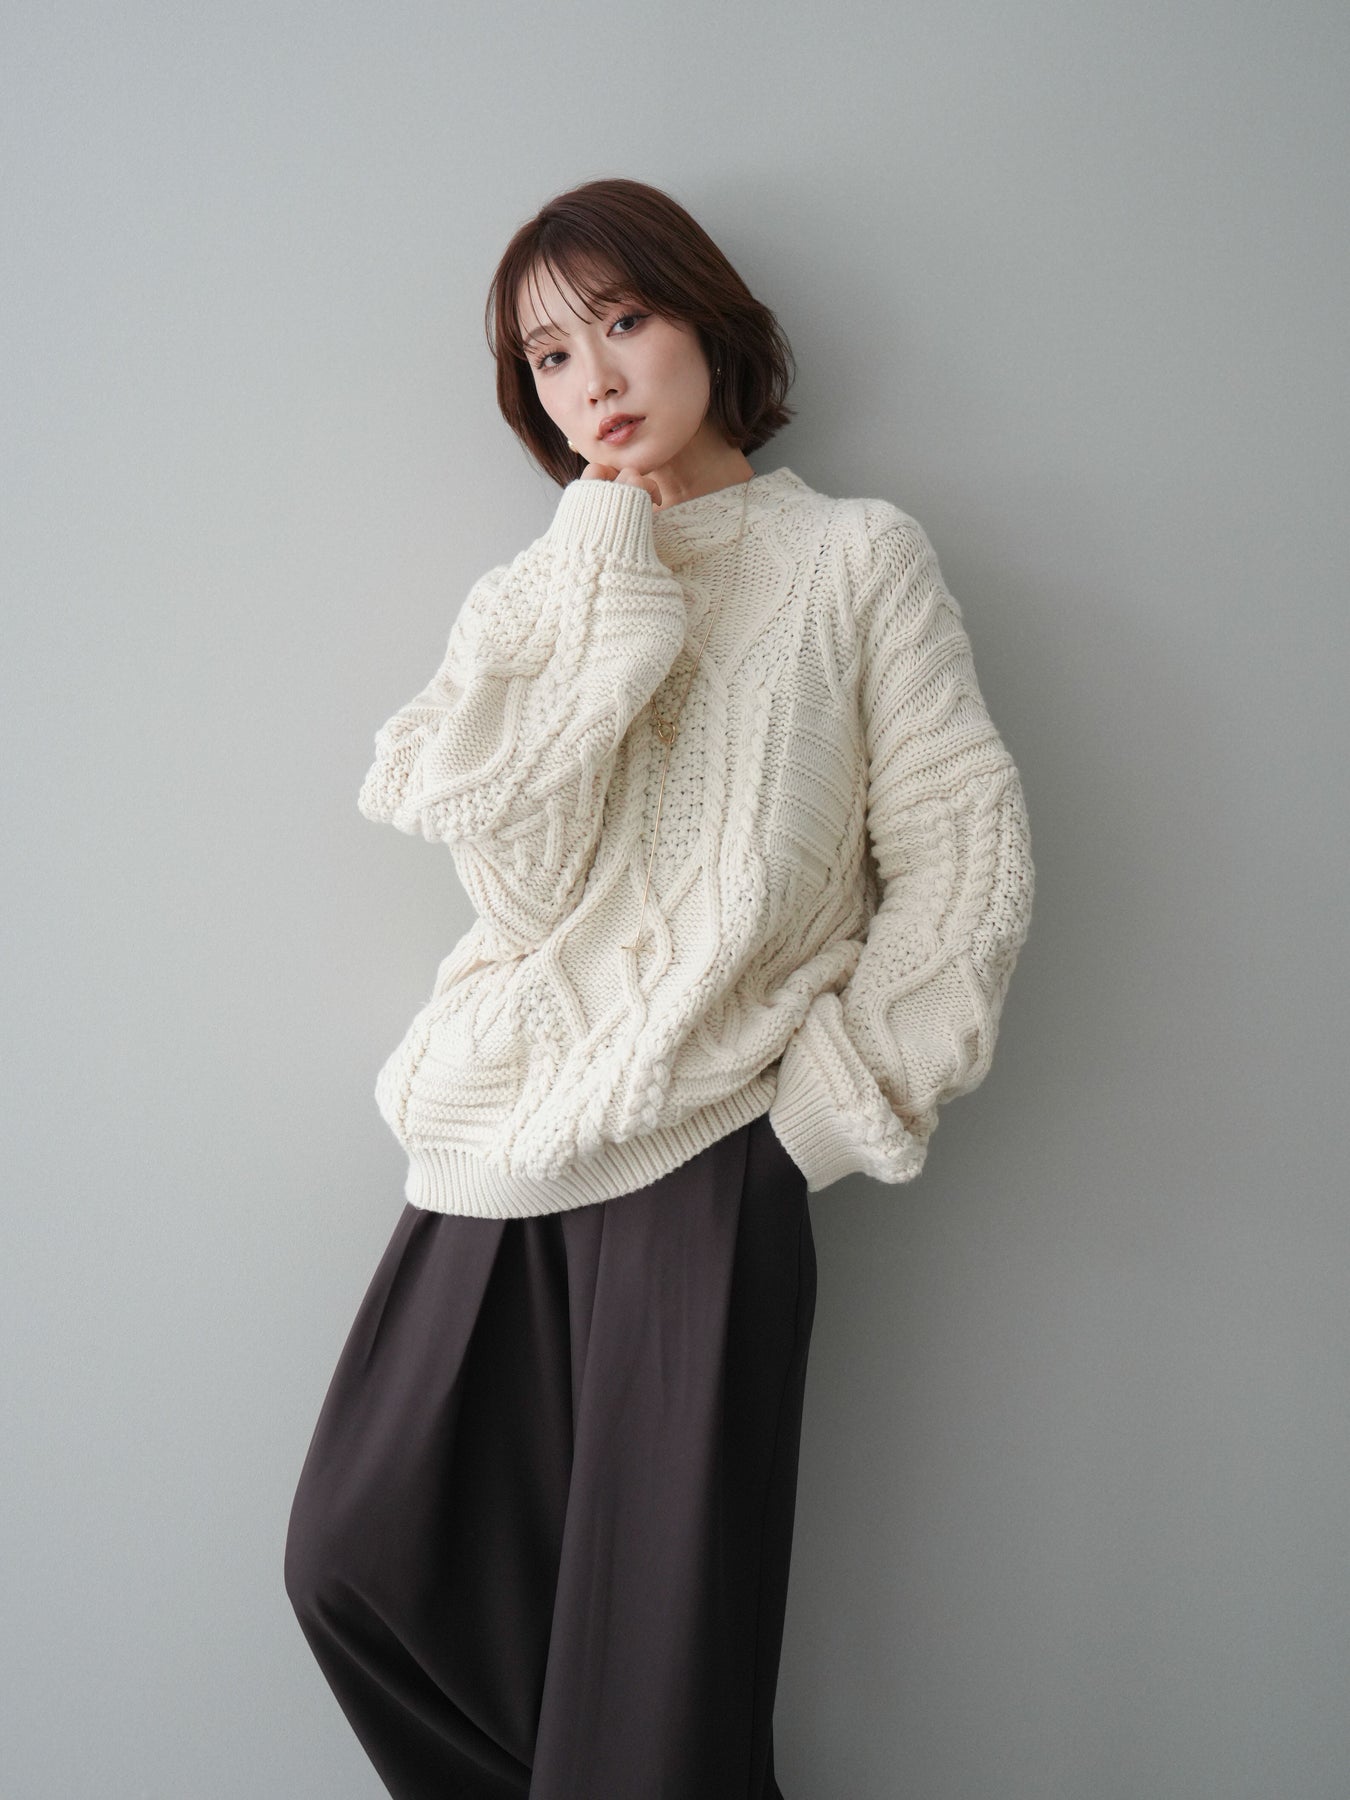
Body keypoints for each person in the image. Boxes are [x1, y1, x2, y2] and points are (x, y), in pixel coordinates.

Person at [284, 176, 1035, 1799]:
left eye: (622, 321)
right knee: (354, 1565)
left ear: (707, 320)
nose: (594, 379)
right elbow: (527, 890)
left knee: (650, 1682)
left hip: (712, 1153)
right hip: (499, 1144)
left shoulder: (854, 560)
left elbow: (961, 862)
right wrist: (602, 578)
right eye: (549, 357)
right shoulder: (536, 596)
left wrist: (807, 1128)